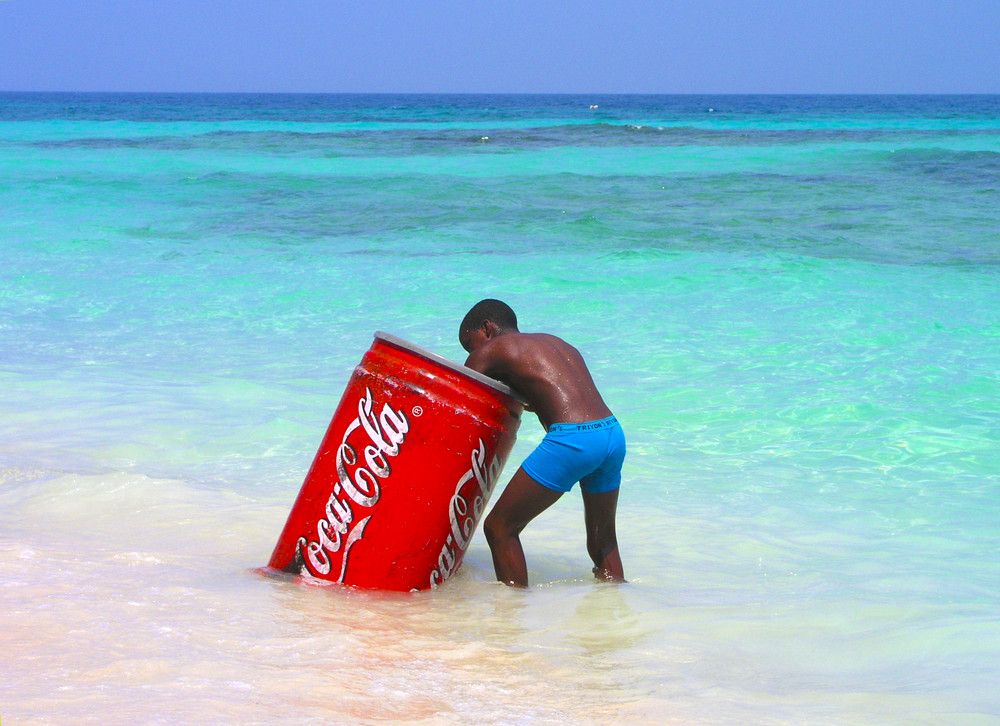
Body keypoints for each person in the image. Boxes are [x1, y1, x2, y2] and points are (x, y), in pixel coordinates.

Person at [459, 299, 626, 587]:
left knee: (499, 528)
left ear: (487, 329)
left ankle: (512, 617)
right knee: (602, 541)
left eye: (471, 345)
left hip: (573, 440)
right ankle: (617, 608)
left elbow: (462, 399)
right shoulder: (554, 344)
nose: (475, 353)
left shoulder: (493, 350)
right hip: (611, 434)